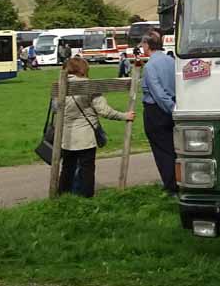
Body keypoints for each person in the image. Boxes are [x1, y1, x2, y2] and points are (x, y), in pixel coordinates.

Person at [58, 57, 135, 197]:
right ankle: (86, 198)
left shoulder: (59, 85)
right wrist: (124, 116)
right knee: (87, 170)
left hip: (66, 136)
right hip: (85, 137)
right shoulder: (89, 86)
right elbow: (104, 111)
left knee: (67, 169)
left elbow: (56, 109)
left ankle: (63, 197)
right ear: (83, 69)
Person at [140, 30, 177, 195]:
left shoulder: (150, 66)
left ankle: (171, 186)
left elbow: (158, 92)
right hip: (174, 104)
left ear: (147, 45)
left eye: (143, 44)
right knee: (174, 147)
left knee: (162, 151)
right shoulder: (171, 61)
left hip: (157, 110)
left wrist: (171, 109)